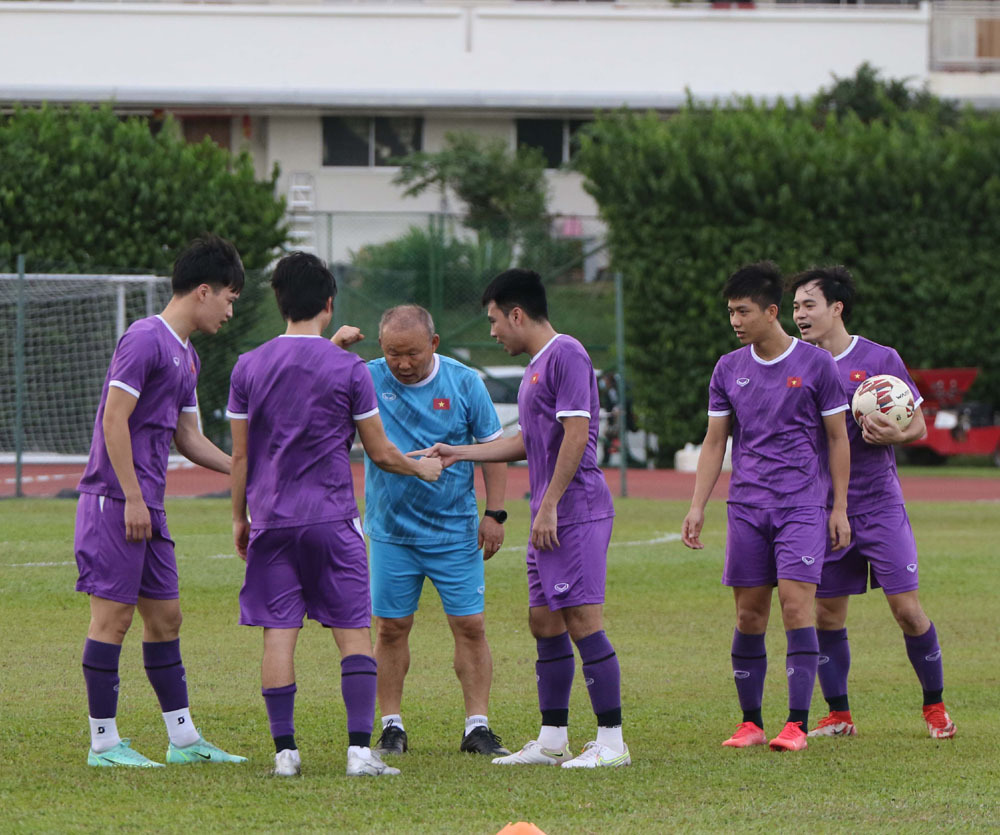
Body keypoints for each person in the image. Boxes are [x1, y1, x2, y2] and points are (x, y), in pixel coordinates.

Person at [227, 253, 442, 778]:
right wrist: (423, 470)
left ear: (278, 300)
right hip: (331, 521)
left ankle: (285, 754)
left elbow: (240, 456)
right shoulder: (347, 368)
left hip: (272, 521)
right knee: (352, 634)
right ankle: (357, 753)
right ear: (329, 303)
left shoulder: (247, 365)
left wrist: (240, 518)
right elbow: (382, 452)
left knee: (279, 633)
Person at [414, 268, 630, 769]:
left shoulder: (567, 354)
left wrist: (551, 502)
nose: (492, 331)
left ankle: (612, 741)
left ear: (517, 314)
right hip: (549, 514)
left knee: (580, 619)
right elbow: (527, 442)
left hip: (573, 511)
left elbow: (576, 434)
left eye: (494, 320)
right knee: (543, 622)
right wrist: (459, 453)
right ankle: (553, 738)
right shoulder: (538, 366)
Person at [74, 235, 247, 768]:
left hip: (149, 505)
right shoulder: (145, 338)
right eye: (230, 298)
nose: (231, 309)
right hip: (116, 499)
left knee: (166, 618)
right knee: (112, 622)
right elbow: (113, 418)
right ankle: (103, 744)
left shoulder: (187, 355)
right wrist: (130, 496)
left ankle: (184, 741)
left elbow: (188, 438)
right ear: (202, 290)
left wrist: (244, 468)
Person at [681, 261, 851, 753]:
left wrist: (838, 507)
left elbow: (838, 439)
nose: (734, 321)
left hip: (801, 506)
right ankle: (750, 722)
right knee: (749, 615)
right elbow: (715, 444)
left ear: (770, 312)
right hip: (747, 507)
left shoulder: (817, 364)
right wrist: (698, 505)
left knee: (797, 607)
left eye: (742, 311)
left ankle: (796, 724)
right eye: (730, 312)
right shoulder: (728, 368)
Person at [790, 266, 955, 740]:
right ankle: (839, 715)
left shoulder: (880, 358)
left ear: (836, 308)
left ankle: (935, 708)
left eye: (808, 305)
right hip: (825, 509)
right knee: (827, 615)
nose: (800, 315)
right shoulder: (796, 363)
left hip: (879, 505)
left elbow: (919, 428)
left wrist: (895, 433)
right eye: (796, 306)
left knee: (906, 610)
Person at [349, 305, 511, 758]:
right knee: (392, 629)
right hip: (390, 532)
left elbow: (492, 450)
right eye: (392, 353)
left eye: (412, 354)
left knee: (470, 626)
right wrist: (335, 348)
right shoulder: (366, 377)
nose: (402, 364)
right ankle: (391, 727)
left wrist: (494, 514)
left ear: (433, 345)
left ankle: (477, 727)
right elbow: (311, 389)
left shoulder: (463, 382)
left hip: (454, 532)